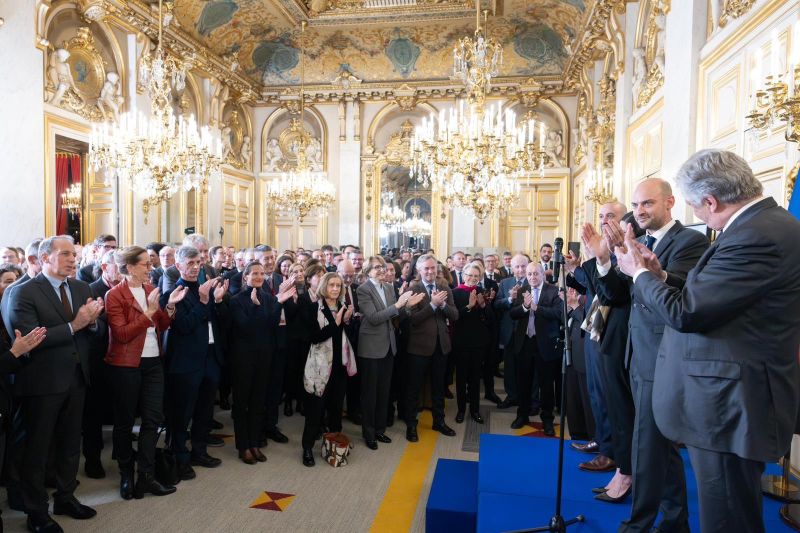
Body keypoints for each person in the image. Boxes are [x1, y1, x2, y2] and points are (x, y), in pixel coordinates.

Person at [615, 149, 800, 533]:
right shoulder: (761, 225)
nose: (697, 215)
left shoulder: (757, 235)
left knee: (728, 519)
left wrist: (639, 275)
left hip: (729, 406)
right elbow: (712, 298)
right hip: (726, 400)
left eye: (696, 207)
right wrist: (660, 276)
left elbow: (688, 314)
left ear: (711, 201)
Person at [599, 179, 708, 532]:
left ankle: (638, 524)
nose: (640, 211)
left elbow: (683, 290)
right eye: (636, 205)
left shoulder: (690, 241)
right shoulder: (640, 242)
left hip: (664, 357)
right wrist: (606, 259)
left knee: (646, 445)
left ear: (670, 202)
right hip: (638, 354)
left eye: (647, 203)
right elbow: (618, 294)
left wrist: (647, 270)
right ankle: (675, 521)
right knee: (658, 445)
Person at [5, 235, 104, 531]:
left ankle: (65, 496)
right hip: (41, 381)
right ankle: (36, 512)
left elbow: (92, 333)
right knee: (38, 450)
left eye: (73, 254)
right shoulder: (22, 292)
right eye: (64, 254)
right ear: (45, 257)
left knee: (71, 443)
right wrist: (77, 324)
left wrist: (94, 321)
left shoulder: (81, 286)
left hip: (76, 377)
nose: (72, 259)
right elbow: (28, 338)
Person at [105, 246, 186, 500]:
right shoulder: (114, 295)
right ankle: (127, 473)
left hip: (153, 362)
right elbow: (122, 334)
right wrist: (149, 313)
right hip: (126, 364)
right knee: (125, 422)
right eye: (144, 265)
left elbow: (161, 324)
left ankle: (147, 476)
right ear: (129, 268)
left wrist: (169, 307)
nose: (149, 269)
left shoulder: (151, 290)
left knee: (152, 420)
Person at [578, 201, 636, 501]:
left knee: (621, 406)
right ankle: (606, 446)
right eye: (600, 216)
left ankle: (619, 461)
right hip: (599, 328)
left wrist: (603, 258)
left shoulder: (628, 246)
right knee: (600, 394)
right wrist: (594, 259)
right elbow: (594, 289)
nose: (603, 222)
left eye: (610, 216)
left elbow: (615, 293)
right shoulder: (602, 248)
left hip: (623, 336)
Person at [161, 246, 229, 480]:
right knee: (182, 413)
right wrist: (202, 301)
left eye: (197, 263)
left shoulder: (206, 289)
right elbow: (184, 326)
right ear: (178, 266)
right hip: (186, 361)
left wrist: (216, 302)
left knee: (205, 410)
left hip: (210, 357)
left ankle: (199, 451)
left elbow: (217, 323)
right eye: (189, 263)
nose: (194, 267)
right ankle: (179, 457)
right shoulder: (172, 293)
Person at [229, 261, 295, 464]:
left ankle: (255, 442)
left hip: (265, 356)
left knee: (259, 401)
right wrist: (257, 309)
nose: (258, 277)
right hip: (243, 357)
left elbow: (272, 325)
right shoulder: (236, 300)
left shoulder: (268, 298)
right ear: (245, 277)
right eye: (254, 273)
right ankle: (243, 446)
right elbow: (245, 328)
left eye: (261, 274)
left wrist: (279, 303)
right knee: (242, 403)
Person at [357, 256, 421, 450]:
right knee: (370, 393)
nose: (382, 270)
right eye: (377, 268)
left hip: (388, 345)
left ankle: (379, 430)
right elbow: (375, 318)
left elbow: (395, 316)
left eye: (383, 267)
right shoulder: (363, 290)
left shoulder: (388, 287)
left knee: (384, 392)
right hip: (370, 347)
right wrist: (399, 305)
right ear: (367, 271)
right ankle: (369, 433)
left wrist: (407, 307)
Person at [301, 273, 357, 467]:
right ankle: (307, 448)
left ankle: (334, 445)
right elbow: (315, 337)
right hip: (320, 367)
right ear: (324, 287)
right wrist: (337, 323)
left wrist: (348, 322)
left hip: (339, 366)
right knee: (316, 410)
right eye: (332, 285)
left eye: (338, 286)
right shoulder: (312, 307)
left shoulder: (342, 307)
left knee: (335, 409)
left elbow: (347, 337)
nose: (335, 289)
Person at [404, 254, 459, 441]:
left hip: (441, 347)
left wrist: (442, 304)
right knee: (413, 389)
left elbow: (454, 315)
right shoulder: (414, 289)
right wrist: (433, 305)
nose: (430, 271)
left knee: (438, 388)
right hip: (418, 348)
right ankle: (411, 425)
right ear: (419, 270)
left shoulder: (445, 288)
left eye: (433, 268)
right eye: (426, 268)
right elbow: (413, 320)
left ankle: (439, 421)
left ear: (437, 269)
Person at [508, 263, 563, 435]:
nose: (532, 277)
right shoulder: (523, 289)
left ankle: (547, 420)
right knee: (523, 383)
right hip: (524, 343)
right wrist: (524, 307)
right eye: (529, 274)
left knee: (547, 385)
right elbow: (513, 313)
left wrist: (536, 308)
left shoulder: (553, 291)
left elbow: (558, 314)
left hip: (545, 344)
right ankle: (522, 415)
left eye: (535, 274)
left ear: (542, 275)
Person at [82, 250, 120, 480]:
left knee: (120, 407)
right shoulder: (90, 290)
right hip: (97, 359)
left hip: (122, 357)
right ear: (106, 268)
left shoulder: (126, 288)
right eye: (120, 266)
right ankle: (93, 459)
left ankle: (120, 452)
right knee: (93, 413)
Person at [452, 262, 494, 423]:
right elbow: (454, 317)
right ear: (463, 275)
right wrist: (469, 306)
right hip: (461, 342)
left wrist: (483, 305)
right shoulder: (455, 293)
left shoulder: (483, 292)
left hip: (478, 342)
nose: (472, 278)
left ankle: (475, 410)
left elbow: (490, 319)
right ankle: (461, 410)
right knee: (461, 379)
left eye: (476, 276)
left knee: (476, 379)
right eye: (470, 275)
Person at [494, 253, 530, 409]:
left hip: (528, 332)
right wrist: (509, 299)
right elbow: (497, 304)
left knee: (526, 368)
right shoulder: (505, 283)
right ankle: (511, 396)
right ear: (512, 268)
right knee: (509, 368)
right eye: (517, 266)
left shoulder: (534, 280)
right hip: (510, 332)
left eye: (523, 266)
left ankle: (526, 399)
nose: (520, 269)